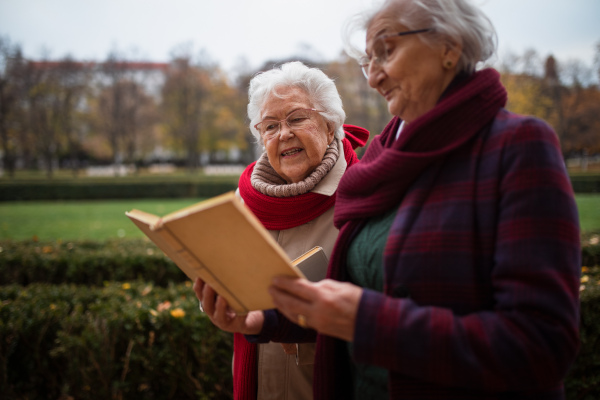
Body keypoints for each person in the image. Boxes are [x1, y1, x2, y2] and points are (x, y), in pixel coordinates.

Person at [240, 1, 581, 399]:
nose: (373, 77)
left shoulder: (518, 147)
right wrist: (265, 321)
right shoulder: (382, 158)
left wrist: (368, 321)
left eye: (387, 51)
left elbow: (541, 346)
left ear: (449, 47)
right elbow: (353, 303)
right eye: (369, 60)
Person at [193, 61, 369, 400]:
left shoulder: (360, 197)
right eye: (270, 126)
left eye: (297, 118)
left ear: (330, 125)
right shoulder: (242, 201)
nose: (283, 134)